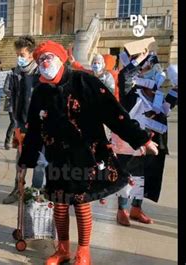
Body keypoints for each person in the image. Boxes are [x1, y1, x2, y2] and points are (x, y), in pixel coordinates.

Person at [18, 40, 158, 264]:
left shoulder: (84, 81)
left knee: (82, 202)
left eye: (49, 57)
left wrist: (141, 139)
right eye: (41, 59)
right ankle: (62, 249)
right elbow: (34, 130)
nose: (45, 63)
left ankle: (83, 251)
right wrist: (26, 162)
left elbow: (114, 113)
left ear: (61, 58)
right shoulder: (40, 92)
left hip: (85, 155)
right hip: (57, 157)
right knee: (60, 204)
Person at [113, 52, 176, 226]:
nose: (154, 70)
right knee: (127, 177)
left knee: (144, 177)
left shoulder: (156, 94)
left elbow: (165, 108)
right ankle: (122, 210)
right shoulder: (130, 92)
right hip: (130, 144)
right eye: (148, 67)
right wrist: (137, 61)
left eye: (154, 66)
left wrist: (176, 90)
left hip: (153, 143)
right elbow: (123, 76)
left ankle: (136, 208)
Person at [1, 35, 42, 204]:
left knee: (40, 163)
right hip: (21, 124)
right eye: (17, 54)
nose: (19, 58)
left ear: (31, 55)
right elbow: (9, 91)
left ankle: (35, 193)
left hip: (38, 126)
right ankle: (18, 189)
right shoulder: (15, 72)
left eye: (22, 55)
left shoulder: (41, 72)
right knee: (20, 160)